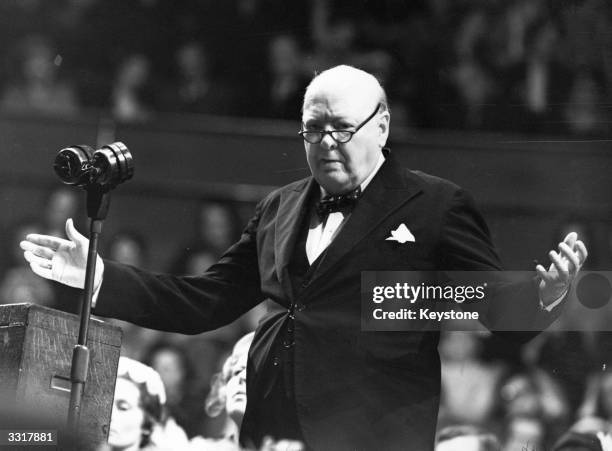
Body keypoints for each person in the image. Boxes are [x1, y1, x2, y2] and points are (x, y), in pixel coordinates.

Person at [20, 65, 588, 450]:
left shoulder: (436, 203)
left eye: (342, 128)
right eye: (313, 130)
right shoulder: (279, 207)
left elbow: (489, 303)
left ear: (382, 126)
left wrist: (544, 295)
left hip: (372, 433)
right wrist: (97, 277)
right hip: (271, 423)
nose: (326, 143)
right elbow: (206, 301)